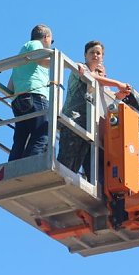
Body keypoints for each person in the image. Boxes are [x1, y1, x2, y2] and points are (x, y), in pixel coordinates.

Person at [57, 40, 105, 178]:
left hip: (87, 125)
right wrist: (117, 84)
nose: (95, 55)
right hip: (73, 120)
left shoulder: (99, 78)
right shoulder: (80, 68)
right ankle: (60, 181)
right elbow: (92, 79)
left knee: (78, 160)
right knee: (67, 158)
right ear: (85, 55)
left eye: (98, 53)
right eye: (92, 53)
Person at [7, 24, 55, 161]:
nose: (50, 45)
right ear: (46, 37)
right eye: (51, 42)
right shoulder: (35, 45)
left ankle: (13, 167)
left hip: (19, 100)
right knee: (43, 133)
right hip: (35, 96)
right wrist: (62, 63)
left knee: (21, 138)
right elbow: (42, 60)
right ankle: (30, 165)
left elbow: (10, 87)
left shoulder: (21, 56)